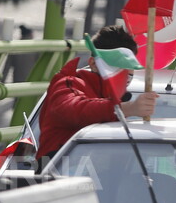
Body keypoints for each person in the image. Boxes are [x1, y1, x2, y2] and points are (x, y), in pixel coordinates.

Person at [36, 25, 157, 169]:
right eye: (117, 71)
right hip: (58, 174)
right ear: (93, 63)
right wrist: (126, 109)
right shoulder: (69, 84)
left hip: (100, 179)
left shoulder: (118, 100)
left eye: (128, 76)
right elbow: (74, 109)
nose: (122, 81)